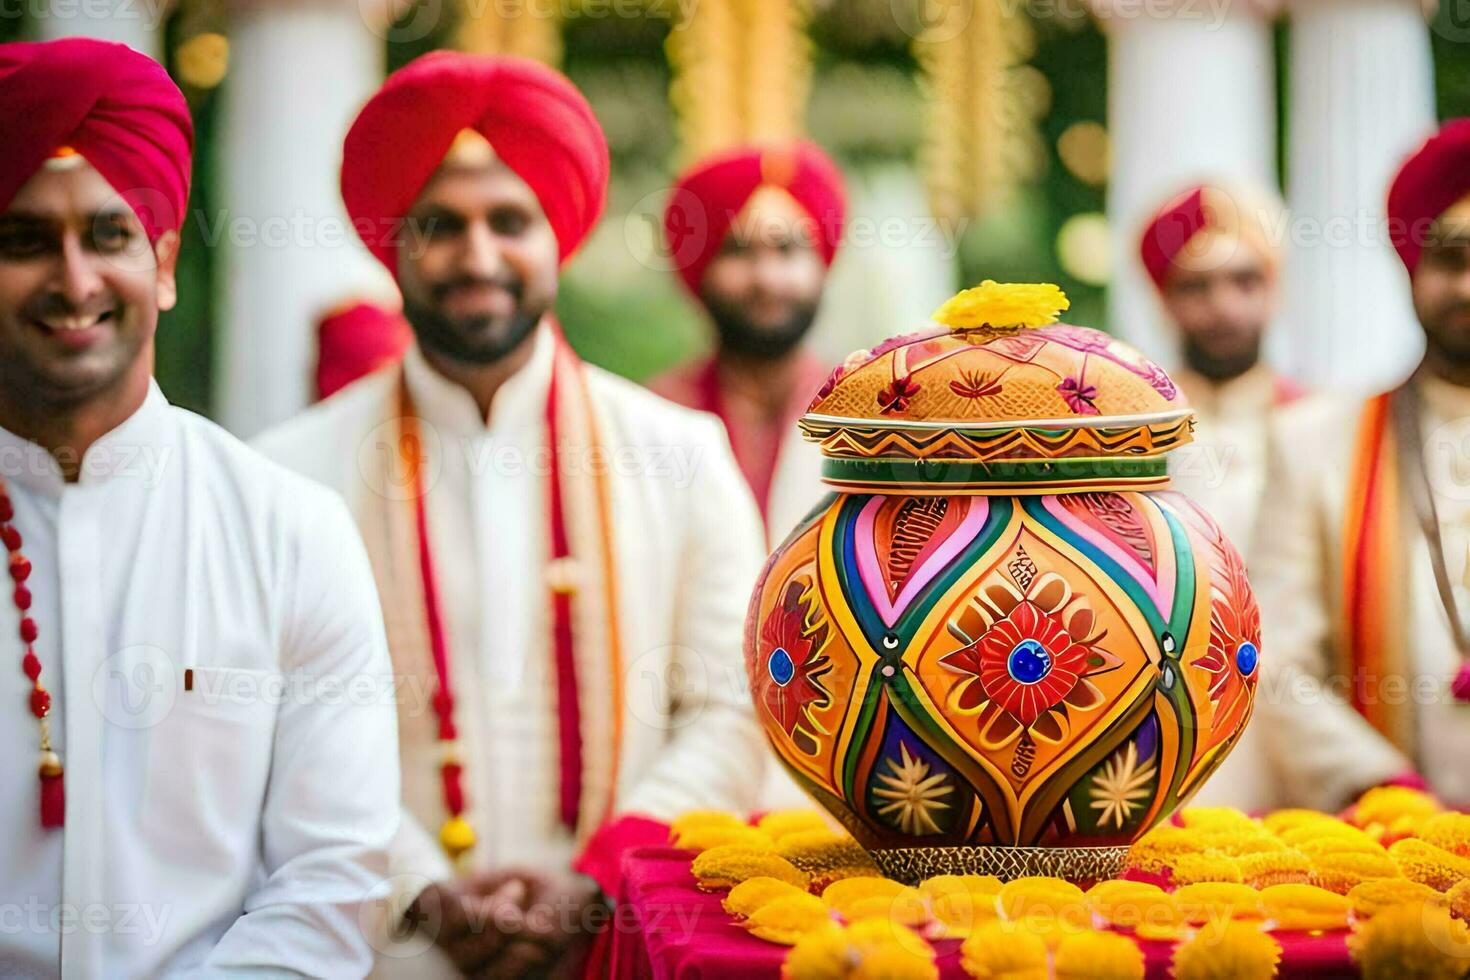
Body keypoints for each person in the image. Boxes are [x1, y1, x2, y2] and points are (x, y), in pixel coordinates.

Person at [254, 51, 770, 976]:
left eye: (510, 221)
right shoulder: (294, 473)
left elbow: (735, 705)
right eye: (441, 225)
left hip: (625, 934)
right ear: (395, 244)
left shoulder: (681, 455)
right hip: (391, 946)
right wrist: (420, 887)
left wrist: (606, 879)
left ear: (555, 238)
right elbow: (279, 721)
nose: (478, 256)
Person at [0, 39, 398, 976]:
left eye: (108, 235)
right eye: (24, 240)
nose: (74, 280)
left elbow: (331, 885)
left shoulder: (290, 533)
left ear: (166, 262)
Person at [1251, 119, 1470, 811]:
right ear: (1412, 269)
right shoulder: (1315, 441)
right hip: (1380, 849)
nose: (1468, 287)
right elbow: (1272, 657)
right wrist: (1382, 789)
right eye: (1450, 259)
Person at [647, 142, 845, 547]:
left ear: (822, 264)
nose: (767, 279)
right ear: (700, 270)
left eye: (787, 249)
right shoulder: (654, 421)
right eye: (738, 251)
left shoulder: (871, 420)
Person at [1139, 181, 1305, 551]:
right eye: (1196, 287)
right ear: (1164, 302)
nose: (1224, 308)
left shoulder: (1318, 425)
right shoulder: (1129, 432)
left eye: (1245, 282)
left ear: (1274, 292)